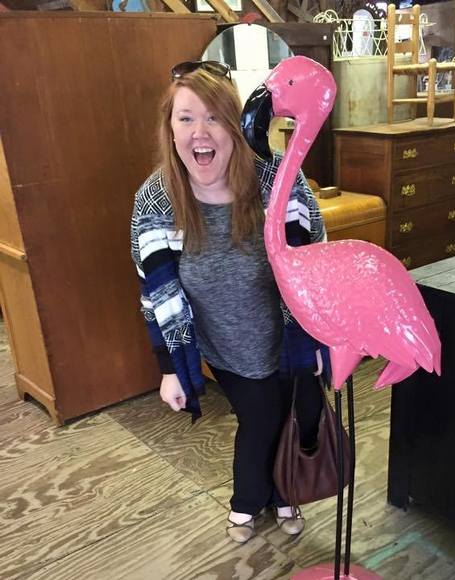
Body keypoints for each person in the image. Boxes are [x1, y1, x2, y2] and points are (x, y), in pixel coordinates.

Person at [130, 60, 326, 544]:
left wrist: (324, 339)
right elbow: (155, 293)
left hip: (291, 337)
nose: (200, 131)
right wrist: (170, 368)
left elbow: (316, 260)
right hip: (229, 346)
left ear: (237, 126)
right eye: (186, 118)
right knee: (261, 419)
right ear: (170, 129)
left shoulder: (276, 178)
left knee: (301, 415)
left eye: (214, 117)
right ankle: (250, 501)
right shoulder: (156, 199)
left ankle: (285, 493)